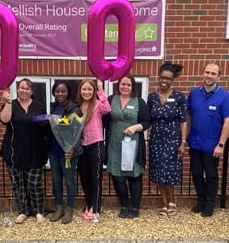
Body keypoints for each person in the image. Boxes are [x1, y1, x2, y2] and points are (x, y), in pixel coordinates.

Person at [186, 63, 229, 217]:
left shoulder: (224, 95)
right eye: (207, 72)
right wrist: (185, 138)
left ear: (218, 76)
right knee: (196, 173)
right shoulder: (194, 93)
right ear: (202, 73)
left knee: (211, 175)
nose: (209, 75)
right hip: (195, 143)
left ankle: (210, 204)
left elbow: (228, 121)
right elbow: (188, 116)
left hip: (212, 145)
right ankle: (201, 202)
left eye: (213, 73)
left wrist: (221, 144)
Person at [0, 78, 49, 224]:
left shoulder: (38, 105)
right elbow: (4, 120)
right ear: (17, 89)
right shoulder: (11, 104)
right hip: (14, 151)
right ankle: (23, 211)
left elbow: (45, 125)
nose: (24, 90)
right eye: (22, 87)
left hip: (34, 150)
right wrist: (7, 103)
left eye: (27, 88)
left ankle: (39, 210)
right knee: (18, 184)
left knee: (34, 183)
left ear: (32, 91)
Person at [106, 74, 152, 219]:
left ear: (133, 87)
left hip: (133, 144)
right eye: (122, 84)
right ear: (118, 85)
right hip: (114, 143)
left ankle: (135, 207)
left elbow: (147, 121)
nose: (125, 87)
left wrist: (135, 127)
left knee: (133, 176)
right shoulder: (111, 99)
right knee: (118, 177)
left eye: (128, 84)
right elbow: (103, 116)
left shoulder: (139, 102)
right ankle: (124, 206)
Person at [148, 62, 187, 217]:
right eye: (162, 77)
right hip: (156, 138)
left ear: (173, 80)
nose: (165, 81)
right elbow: (147, 118)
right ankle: (164, 203)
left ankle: (172, 200)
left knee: (169, 171)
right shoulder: (152, 97)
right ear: (158, 77)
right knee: (158, 171)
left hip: (173, 138)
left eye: (168, 79)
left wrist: (183, 142)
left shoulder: (179, 97)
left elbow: (183, 121)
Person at [48, 82, 83, 224]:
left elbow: (79, 132)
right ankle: (59, 208)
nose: (60, 94)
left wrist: (73, 148)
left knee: (69, 181)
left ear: (68, 93)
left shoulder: (75, 109)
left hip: (67, 152)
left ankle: (69, 209)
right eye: (57, 91)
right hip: (53, 150)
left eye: (63, 91)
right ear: (54, 93)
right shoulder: (53, 107)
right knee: (56, 181)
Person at [76, 78, 111, 222]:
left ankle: (95, 209)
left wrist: (100, 89)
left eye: (90, 89)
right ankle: (89, 204)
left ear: (93, 91)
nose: (86, 92)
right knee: (84, 178)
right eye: (84, 89)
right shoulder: (76, 106)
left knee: (95, 178)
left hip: (95, 144)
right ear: (80, 91)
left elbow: (107, 108)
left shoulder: (97, 104)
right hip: (81, 146)